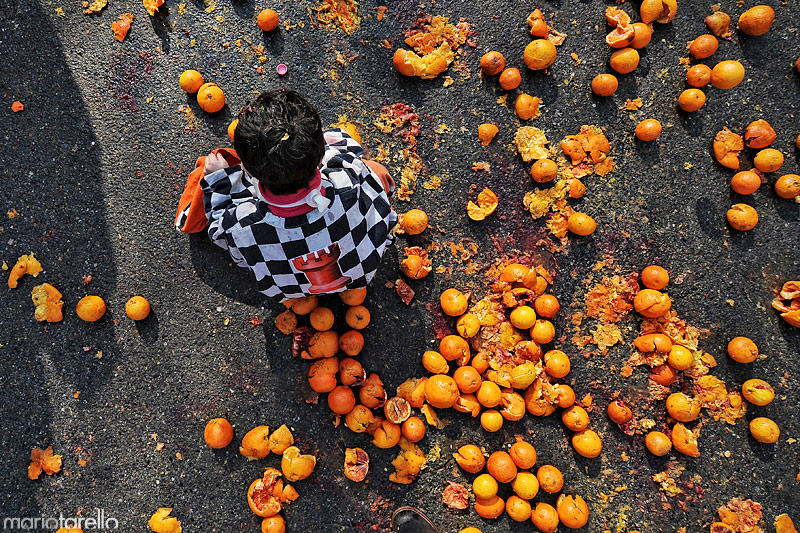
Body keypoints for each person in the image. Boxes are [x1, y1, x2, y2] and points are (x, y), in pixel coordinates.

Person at [177, 88, 396, 301]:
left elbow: (227, 241)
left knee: (209, 169)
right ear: (319, 156)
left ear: (248, 170)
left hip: (291, 290)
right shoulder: (348, 179)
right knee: (375, 171)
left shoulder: (242, 224)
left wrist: (219, 181)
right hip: (363, 270)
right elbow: (348, 148)